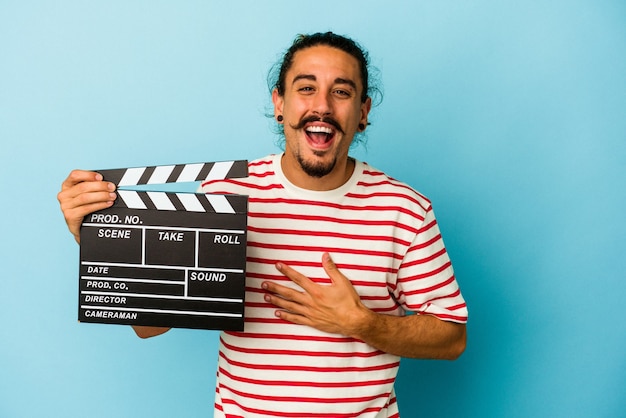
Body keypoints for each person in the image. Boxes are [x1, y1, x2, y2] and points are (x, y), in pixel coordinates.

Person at [58, 32, 468, 418]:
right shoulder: (227, 195)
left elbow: (452, 339)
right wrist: (99, 240)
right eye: (306, 88)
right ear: (279, 103)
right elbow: (149, 326)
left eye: (341, 91)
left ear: (362, 112)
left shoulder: (404, 210)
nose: (322, 105)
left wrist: (360, 323)